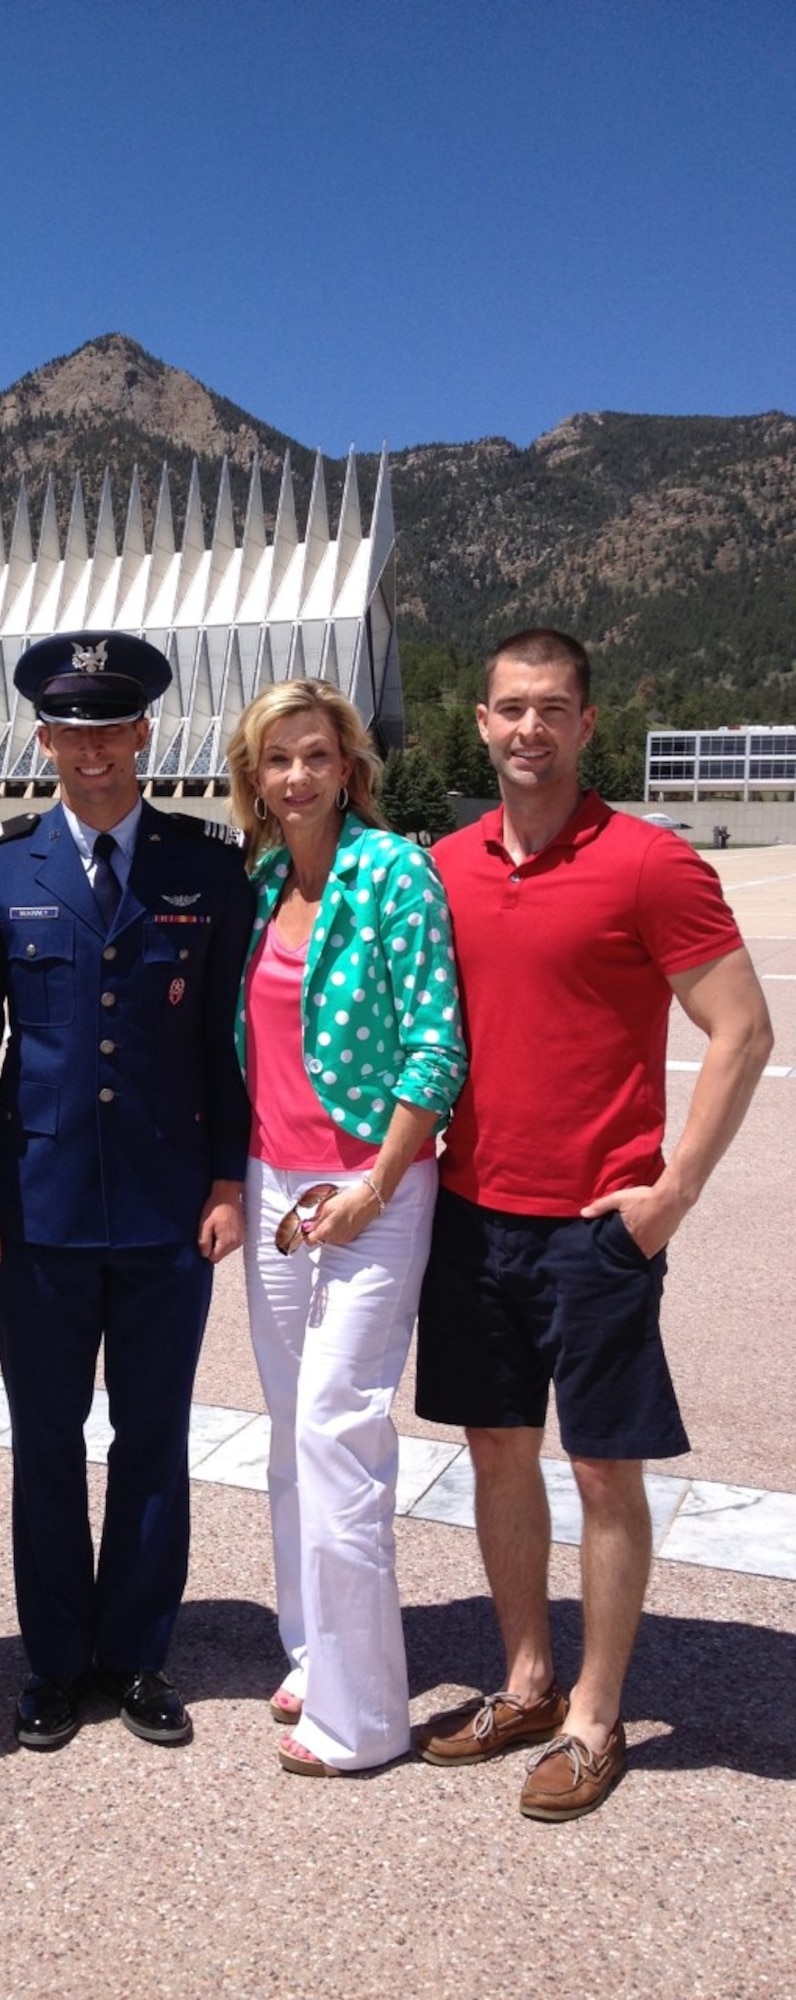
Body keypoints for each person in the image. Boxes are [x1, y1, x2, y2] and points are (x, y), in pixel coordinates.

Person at [413, 627, 773, 1821]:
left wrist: (670, 1193)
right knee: (497, 1449)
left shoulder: (649, 863)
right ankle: (524, 1675)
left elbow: (743, 1028)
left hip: (596, 1224)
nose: (529, 727)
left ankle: (596, 1713)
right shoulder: (446, 865)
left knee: (604, 1468)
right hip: (473, 1212)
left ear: (586, 722)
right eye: (509, 707)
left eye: (551, 707)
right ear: (479, 720)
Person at [0, 630, 253, 1750]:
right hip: (39, 1207)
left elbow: (227, 1044)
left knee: (154, 1436)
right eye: (70, 728)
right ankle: (53, 1660)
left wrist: (228, 1175)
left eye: (110, 726)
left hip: (173, 1207)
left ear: (144, 734)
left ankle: (135, 1654)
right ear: (43, 738)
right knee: (44, 1441)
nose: (91, 748)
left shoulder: (208, 868)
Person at [225, 681, 466, 1776]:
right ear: (255, 776)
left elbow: (436, 1046)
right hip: (276, 1177)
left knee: (338, 1427)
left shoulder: (393, 873)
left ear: (349, 766)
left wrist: (377, 1180)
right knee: (288, 1428)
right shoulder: (268, 877)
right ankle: (314, 1643)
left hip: (369, 1183)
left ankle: (366, 1713)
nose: (298, 778)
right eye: (278, 759)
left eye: (316, 756)